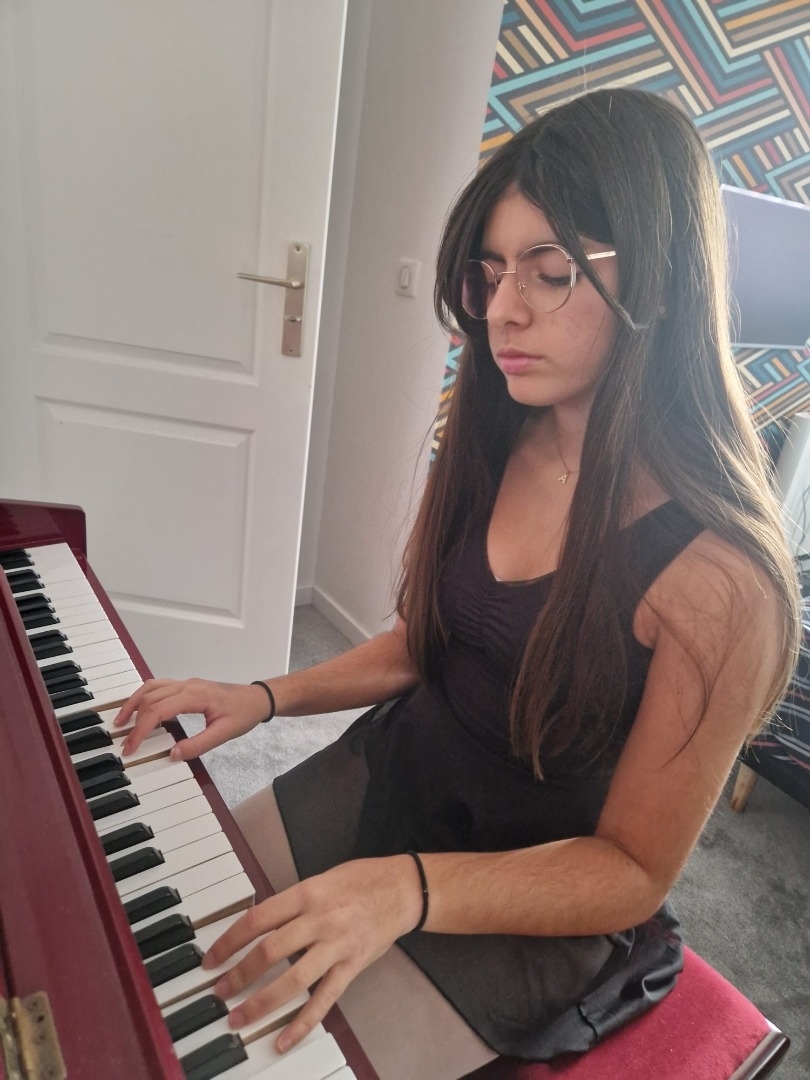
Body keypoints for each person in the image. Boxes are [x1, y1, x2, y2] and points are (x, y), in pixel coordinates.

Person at [116, 87, 800, 1079]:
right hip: (403, 773)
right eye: (491, 272)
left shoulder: (721, 581)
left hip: (532, 891)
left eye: (551, 272)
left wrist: (402, 891)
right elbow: (425, 642)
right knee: (161, 940)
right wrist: (263, 696)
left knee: (248, 1054)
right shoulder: (495, 437)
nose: (502, 311)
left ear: (662, 282)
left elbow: (634, 870)